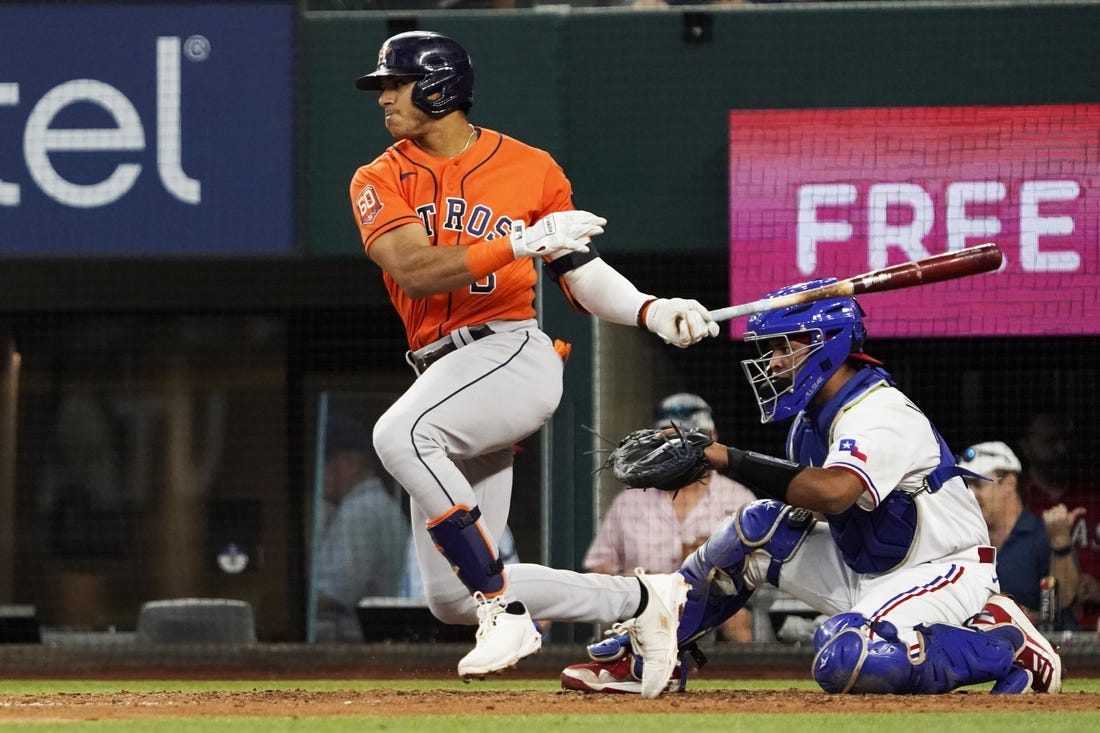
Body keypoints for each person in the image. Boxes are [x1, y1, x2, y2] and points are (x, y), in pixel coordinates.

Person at [348, 30, 718, 681]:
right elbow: (414, 270)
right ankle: (646, 599)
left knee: (398, 432)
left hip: (509, 353)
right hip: (447, 375)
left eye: (395, 84)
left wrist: (651, 309)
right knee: (450, 597)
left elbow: (580, 272)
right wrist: (517, 243)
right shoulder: (379, 177)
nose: (384, 98)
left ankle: (504, 609)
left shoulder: (530, 167)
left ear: (437, 87)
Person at [561, 279, 1062, 697]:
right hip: (869, 568)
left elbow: (835, 492)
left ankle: (1002, 639)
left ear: (830, 344)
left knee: (845, 659)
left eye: (786, 346)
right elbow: (809, 507)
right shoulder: (810, 424)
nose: (774, 362)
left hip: (944, 569)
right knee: (757, 527)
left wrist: (722, 457)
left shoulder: (879, 411)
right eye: (772, 349)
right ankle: (651, 653)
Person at [582, 393, 756, 645]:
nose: (683, 449)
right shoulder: (631, 499)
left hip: (714, 604)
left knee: (738, 620)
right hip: (646, 604)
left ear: (713, 438)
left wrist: (716, 562)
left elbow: (760, 566)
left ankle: (743, 682)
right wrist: (631, 577)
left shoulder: (738, 496)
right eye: (674, 441)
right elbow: (597, 567)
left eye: (691, 439)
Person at [957, 441, 1080, 631]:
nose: (971, 494)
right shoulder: (965, 543)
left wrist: (1061, 544)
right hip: (987, 654)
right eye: (967, 486)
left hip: (1047, 654)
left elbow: (1063, 599)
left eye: (978, 484)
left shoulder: (1043, 535)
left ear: (1008, 483)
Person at [313, 413, 409, 642]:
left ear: (349, 464)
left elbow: (334, 592)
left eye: (325, 463)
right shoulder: (373, 504)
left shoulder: (361, 510)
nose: (320, 474)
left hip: (361, 643)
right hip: (379, 638)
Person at [1018, 411, 1099, 631]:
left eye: (1066, 440)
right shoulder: (1014, 500)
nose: (1061, 449)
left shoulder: (1094, 497)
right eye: (1050, 441)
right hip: (1037, 634)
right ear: (1025, 445)